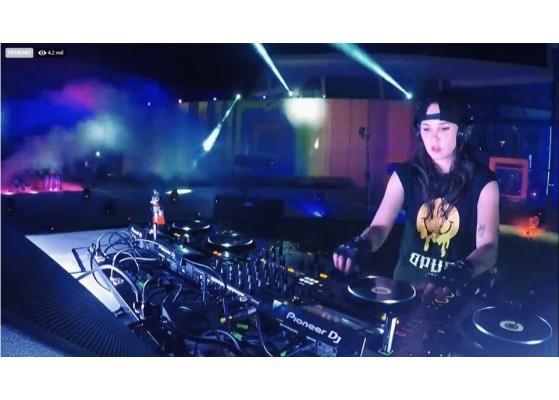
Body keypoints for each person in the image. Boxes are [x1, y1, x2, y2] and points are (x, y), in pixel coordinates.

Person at [333, 90, 500, 298]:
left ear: (462, 132)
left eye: (444, 128)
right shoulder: (404, 175)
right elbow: (379, 228)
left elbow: (489, 247)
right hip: (404, 290)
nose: (433, 137)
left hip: (455, 294)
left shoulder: (484, 183)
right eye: (426, 129)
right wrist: (360, 243)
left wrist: (463, 269)